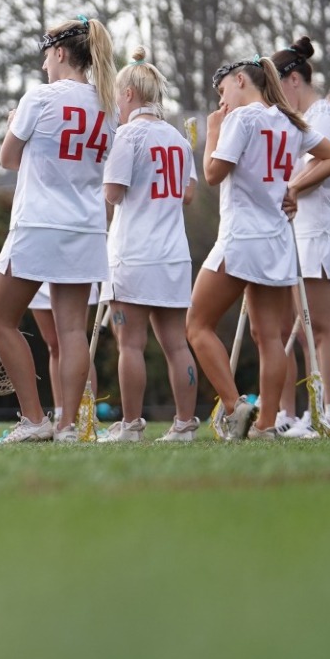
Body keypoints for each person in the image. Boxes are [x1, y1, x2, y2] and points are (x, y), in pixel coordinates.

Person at [183, 55, 330, 441]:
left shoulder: (241, 119)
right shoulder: (289, 120)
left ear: (240, 79)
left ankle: (233, 405)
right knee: (269, 338)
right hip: (276, 241)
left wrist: (213, 129)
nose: (222, 102)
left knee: (197, 324)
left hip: (241, 238)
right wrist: (294, 188)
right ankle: (266, 425)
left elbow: (211, 174)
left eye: (223, 91)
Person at [0, 16, 118, 444]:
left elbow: (8, 157)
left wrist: (14, 123)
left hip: (39, 222)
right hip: (87, 226)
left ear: (59, 52)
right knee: (72, 330)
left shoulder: (39, 98)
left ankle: (34, 417)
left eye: (46, 54)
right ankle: (68, 426)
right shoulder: (108, 105)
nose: (43, 64)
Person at [99, 47, 200, 443]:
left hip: (134, 253)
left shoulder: (128, 135)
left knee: (131, 344)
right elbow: (188, 195)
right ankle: (185, 424)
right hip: (173, 252)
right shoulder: (177, 137)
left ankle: (131, 424)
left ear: (128, 95)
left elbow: (112, 193)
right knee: (177, 344)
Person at [271, 37, 330, 438]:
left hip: (323, 230)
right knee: (307, 331)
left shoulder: (322, 114)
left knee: (323, 327)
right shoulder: (302, 121)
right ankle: (317, 411)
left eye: (275, 86)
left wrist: (292, 188)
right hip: (306, 231)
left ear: (293, 80)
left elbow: (326, 161)